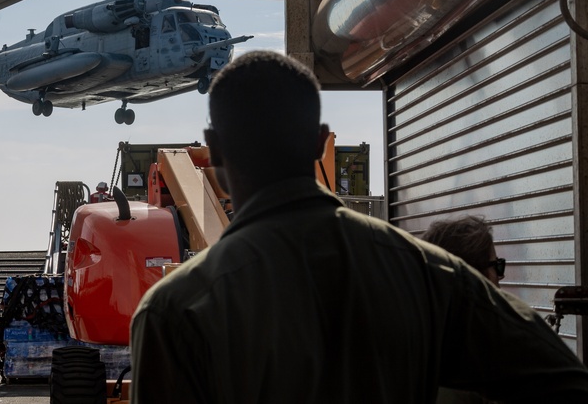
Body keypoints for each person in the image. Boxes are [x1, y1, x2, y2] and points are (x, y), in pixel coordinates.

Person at [129, 50, 588, 403]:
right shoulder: (426, 274)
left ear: (214, 150)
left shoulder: (176, 310)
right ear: (318, 140)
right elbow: (562, 380)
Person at [423, 216, 506, 404]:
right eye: (497, 265)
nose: (500, 277)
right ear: (474, 277)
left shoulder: (415, 345)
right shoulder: (478, 363)